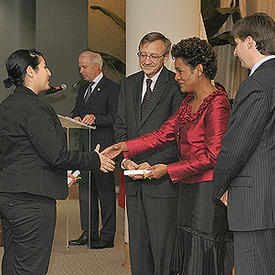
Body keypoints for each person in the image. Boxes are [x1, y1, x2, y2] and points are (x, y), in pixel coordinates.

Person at [104, 37, 234, 275]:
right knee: (185, 251)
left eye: (180, 71)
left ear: (199, 71)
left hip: (206, 191)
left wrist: (168, 169)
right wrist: (123, 146)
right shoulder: (189, 102)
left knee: (202, 253)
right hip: (187, 188)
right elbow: (162, 134)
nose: (176, 77)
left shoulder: (217, 103)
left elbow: (212, 156)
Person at [0, 49, 115, 275]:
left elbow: (22, 152)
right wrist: (94, 159)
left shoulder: (7, 105)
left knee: (12, 262)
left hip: (9, 196)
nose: (49, 73)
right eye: (44, 67)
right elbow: (57, 155)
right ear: (30, 72)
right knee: (30, 267)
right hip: (32, 203)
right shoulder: (35, 108)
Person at [113, 32, 184, 275]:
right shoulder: (128, 84)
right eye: (142, 55)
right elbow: (120, 126)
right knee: (139, 246)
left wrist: (151, 164)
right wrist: (128, 160)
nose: (147, 60)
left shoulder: (177, 85)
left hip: (161, 178)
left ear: (166, 57)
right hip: (133, 177)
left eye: (154, 56)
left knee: (163, 248)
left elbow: (176, 134)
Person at [212, 13, 275, 275]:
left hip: (254, 201)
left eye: (236, 43)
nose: (235, 52)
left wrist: (220, 184)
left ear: (250, 42)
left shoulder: (256, 84)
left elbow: (237, 145)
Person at [69, 51, 118, 249]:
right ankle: (88, 233)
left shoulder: (112, 88)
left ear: (97, 66)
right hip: (85, 151)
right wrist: (78, 119)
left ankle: (106, 237)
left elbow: (115, 117)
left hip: (104, 150)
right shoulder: (83, 90)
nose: (81, 71)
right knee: (85, 193)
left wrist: (95, 119)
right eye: (80, 67)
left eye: (84, 67)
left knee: (106, 194)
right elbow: (76, 112)